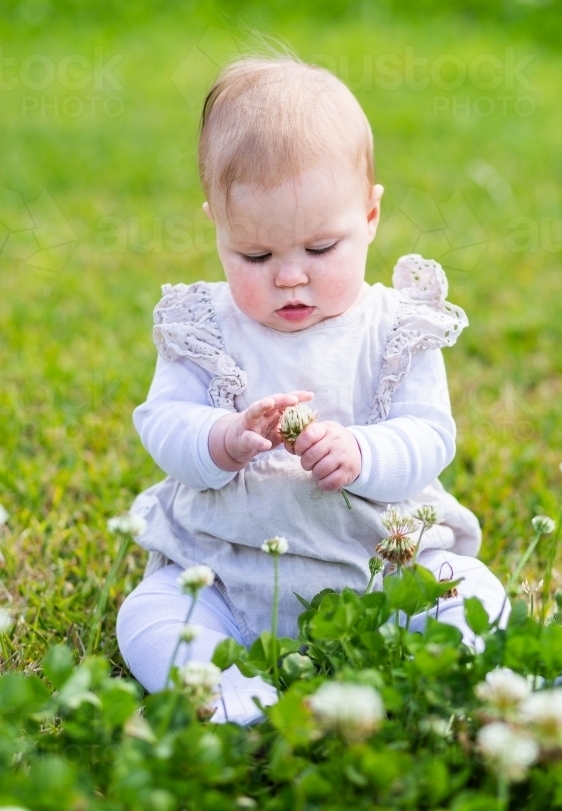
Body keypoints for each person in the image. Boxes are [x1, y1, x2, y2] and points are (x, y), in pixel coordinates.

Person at [117, 56, 507, 724]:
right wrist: (223, 438)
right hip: (230, 570)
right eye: (256, 257)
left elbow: (429, 434)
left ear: (371, 215)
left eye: (321, 249)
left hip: (382, 566)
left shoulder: (395, 326)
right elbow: (163, 420)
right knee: (148, 616)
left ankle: (420, 673)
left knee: (473, 595)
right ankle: (233, 697)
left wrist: (361, 453)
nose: (290, 278)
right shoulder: (203, 326)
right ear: (217, 226)